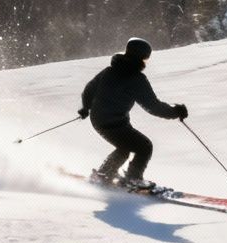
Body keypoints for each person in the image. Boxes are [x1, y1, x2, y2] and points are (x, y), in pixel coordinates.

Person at [79, 37, 188, 191]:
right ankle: (132, 179)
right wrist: (176, 112)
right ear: (142, 58)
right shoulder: (137, 79)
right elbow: (153, 106)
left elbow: (89, 89)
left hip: (99, 120)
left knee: (125, 147)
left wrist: (86, 107)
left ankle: (104, 174)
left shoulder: (109, 71)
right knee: (144, 147)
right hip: (114, 123)